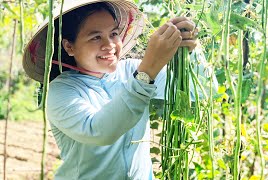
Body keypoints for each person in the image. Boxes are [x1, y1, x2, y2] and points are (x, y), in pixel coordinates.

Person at [22, 0, 198, 179]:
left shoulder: (131, 70)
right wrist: (146, 73)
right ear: (69, 47)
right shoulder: (61, 91)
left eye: (113, 33)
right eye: (96, 37)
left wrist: (189, 53)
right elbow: (99, 131)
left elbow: (196, 92)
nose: (110, 45)